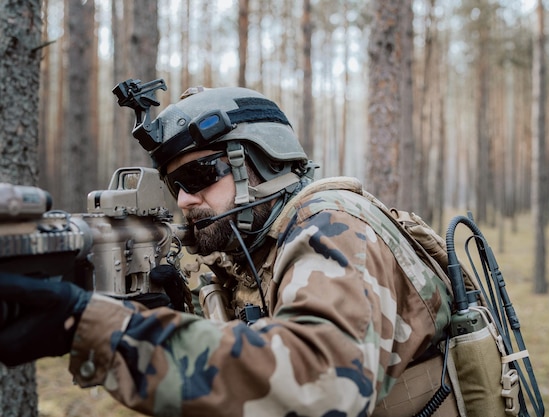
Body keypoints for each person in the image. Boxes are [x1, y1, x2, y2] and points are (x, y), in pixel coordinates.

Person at [0, 86, 459, 416]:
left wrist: (107, 331)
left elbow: (320, 386)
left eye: (200, 178)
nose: (184, 201)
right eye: (176, 185)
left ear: (260, 162)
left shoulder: (333, 226)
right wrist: (179, 319)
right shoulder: (254, 251)